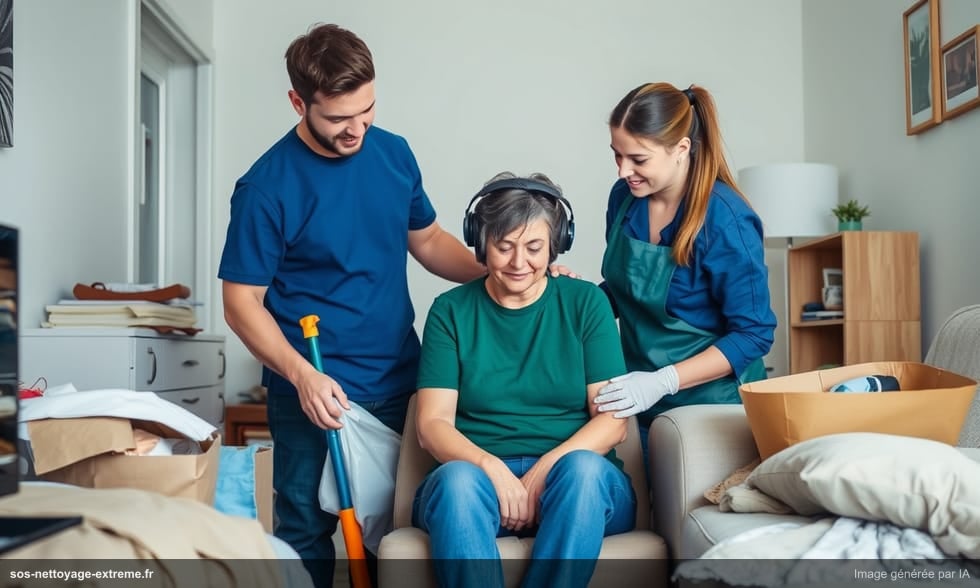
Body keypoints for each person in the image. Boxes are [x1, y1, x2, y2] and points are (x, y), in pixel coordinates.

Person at [217, 23, 486, 588]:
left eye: (366, 110)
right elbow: (242, 302)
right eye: (339, 118)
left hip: (400, 379)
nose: (357, 129)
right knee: (305, 529)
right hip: (311, 390)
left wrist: (501, 270)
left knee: (405, 525)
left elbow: (430, 241)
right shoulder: (266, 187)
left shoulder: (393, 153)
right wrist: (300, 375)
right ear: (298, 101)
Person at [412, 172, 636, 588]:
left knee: (584, 471)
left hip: (573, 481)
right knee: (458, 481)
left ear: (556, 244)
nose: (519, 263)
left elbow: (613, 421)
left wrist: (545, 470)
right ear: (481, 245)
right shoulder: (450, 311)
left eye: (534, 248)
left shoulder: (586, 303)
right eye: (504, 247)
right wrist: (489, 467)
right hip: (478, 479)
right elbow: (432, 425)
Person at [593, 82, 776, 431]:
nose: (622, 170)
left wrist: (662, 381)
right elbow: (625, 292)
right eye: (617, 154)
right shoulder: (625, 198)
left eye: (638, 159)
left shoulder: (725, 219)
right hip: (638, 399)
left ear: (681, 148)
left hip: (713, 409)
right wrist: (573, 297)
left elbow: (754, 333)